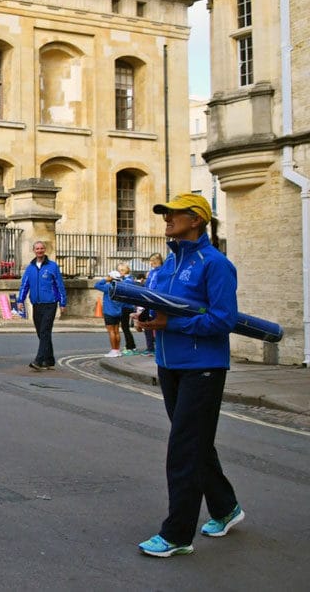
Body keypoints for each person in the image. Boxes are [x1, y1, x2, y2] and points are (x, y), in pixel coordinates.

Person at [135, 193, 242, 558]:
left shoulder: (216, 264)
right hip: (170, 365)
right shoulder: (167, 264)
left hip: (203, 369)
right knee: (196, 444)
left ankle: (178, 534)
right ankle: (226, 507)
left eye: (173, 213)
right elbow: (161, 307)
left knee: (183, 449)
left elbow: (223, 319)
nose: (166, 218)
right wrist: (148, 316)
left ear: (196, 219)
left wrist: (172, 324)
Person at [16, 241, 67, 370]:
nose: (39, 250)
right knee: (41, 332)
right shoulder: (30, 268)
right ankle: (49, 359)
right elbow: (24, 285)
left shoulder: (52, 266)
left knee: (44, 331)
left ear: (45, 250)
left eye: (42, 248)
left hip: (50, 303)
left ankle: (39, 360)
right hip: (36, 304)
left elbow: (59, 285)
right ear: (34, 251)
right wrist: (20, 300)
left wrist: (62, 302)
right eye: (37, 248)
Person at [137, 253, 164, 356]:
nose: (151, 263)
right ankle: (150, 348)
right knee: (147, 325)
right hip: (149, 301)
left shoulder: (162, 271)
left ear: (158, 261)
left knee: (157, 326)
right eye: (151, 261)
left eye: (153, 261)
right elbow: (148, 286)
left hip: (156, 301)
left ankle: (158, 348)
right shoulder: (152, 272)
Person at [94, 269, 125, 357]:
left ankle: (113, 350)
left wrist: (105, 280)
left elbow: (96, 285)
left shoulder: (108, 287)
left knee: (111, 331)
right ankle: (118, 350)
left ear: (111, 278)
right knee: (117, 331)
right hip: (118, 311)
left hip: (109, 311)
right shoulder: (121, 287)